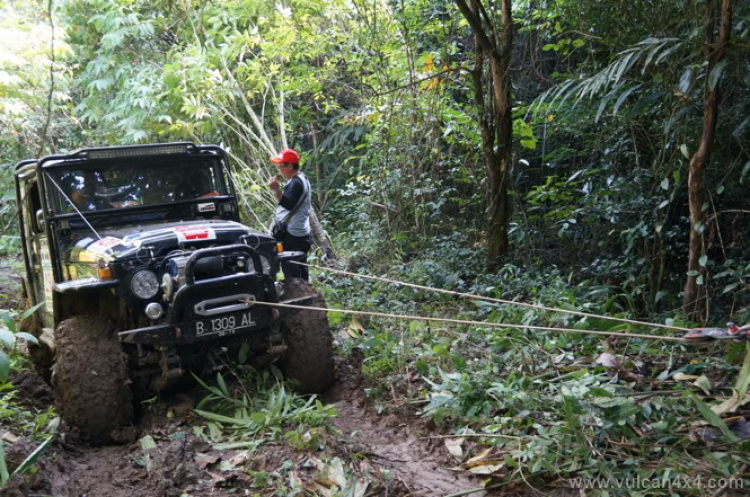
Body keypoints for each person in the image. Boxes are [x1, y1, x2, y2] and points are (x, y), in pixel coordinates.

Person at [268, 148, 312, 281]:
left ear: (290, 166)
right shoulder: (301, 179)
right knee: (300, 268)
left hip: (293, 236)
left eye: (281, 166)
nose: (279, 170)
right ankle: (306, 294)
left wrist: (276, 189)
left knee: (291, 270)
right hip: (301, 233)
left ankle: (297, 297)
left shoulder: (296, 183)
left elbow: (288, 204)